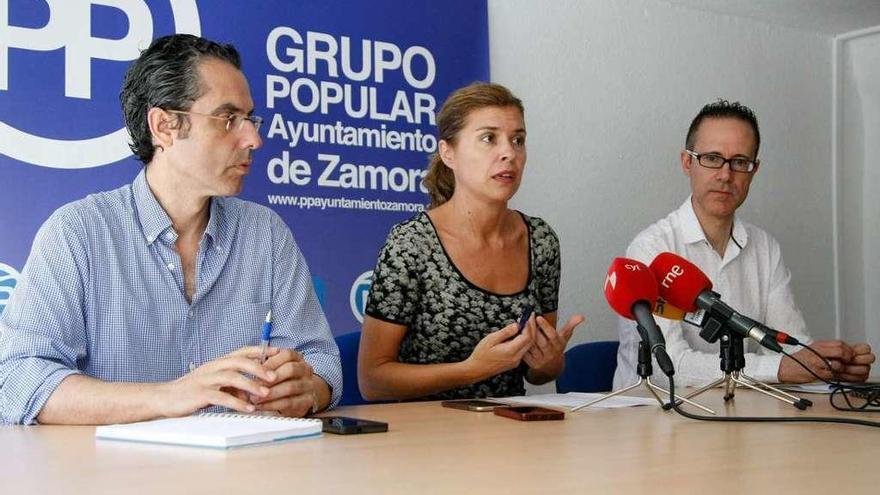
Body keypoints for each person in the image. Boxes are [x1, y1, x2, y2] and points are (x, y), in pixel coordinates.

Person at [0, 34, 341, 425]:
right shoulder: (78, 233)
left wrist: (308, 390)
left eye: (250, 119)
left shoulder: (265, 233)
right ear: (164, 126)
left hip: (247, 472)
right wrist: (171, 396)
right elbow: (18, 380)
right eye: (229, 119)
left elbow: (323, 361)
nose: (254, 139)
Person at [612, 100, 874, 389]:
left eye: (739, 162)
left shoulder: (765, 248)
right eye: (712, 158)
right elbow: (667, 365)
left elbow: (789, 347)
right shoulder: (652, 249)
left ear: (754, 170)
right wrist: (785, 369)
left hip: (740, 413)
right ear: (687, 162)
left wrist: (827, 365)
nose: (725, 175)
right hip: (653, 419)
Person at [358, 82, 585, 401]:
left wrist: (550, 362)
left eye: (518, 140)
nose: (509, 153)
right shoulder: (411, 243)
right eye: (488, 138)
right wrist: (472, 369)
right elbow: (372, 381)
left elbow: (538, 374)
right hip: (426, 436)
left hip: (512, 433)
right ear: (448, 152)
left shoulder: (541, 240)